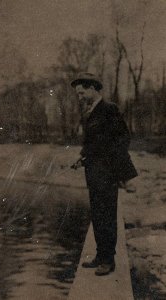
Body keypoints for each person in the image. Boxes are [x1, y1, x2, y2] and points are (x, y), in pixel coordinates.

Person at [70, 72, 138, 276]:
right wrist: (82, 156)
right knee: (98, 215)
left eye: (82, 93)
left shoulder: (109, 109)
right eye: (78, 95)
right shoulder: (90, 112)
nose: (79, 97)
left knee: (107, 215)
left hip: (106, 174)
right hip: (93, 173)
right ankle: (101, 256)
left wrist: (112, 166)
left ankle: (108, 261)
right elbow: (93, 143)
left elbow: (123, 138)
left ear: (92, 89)